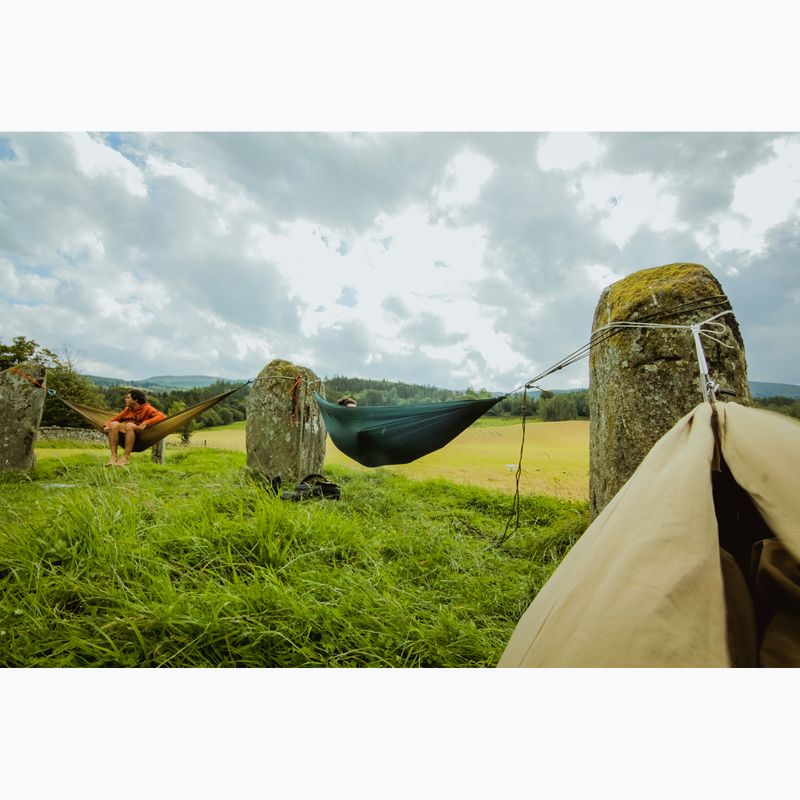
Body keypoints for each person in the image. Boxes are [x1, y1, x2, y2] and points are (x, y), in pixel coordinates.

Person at [103, 389, 167, 466]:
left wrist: (146, 422)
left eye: (128, 398)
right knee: (114, 424)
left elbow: (162, 416)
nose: (125, 399)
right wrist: (107, 426)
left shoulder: (147, 408)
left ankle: (125, 458)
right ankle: (113, 457)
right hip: (127, 436)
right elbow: (112, 421)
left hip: (141, 436)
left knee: (130, 425)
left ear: (135, 400)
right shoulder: (127, 410)